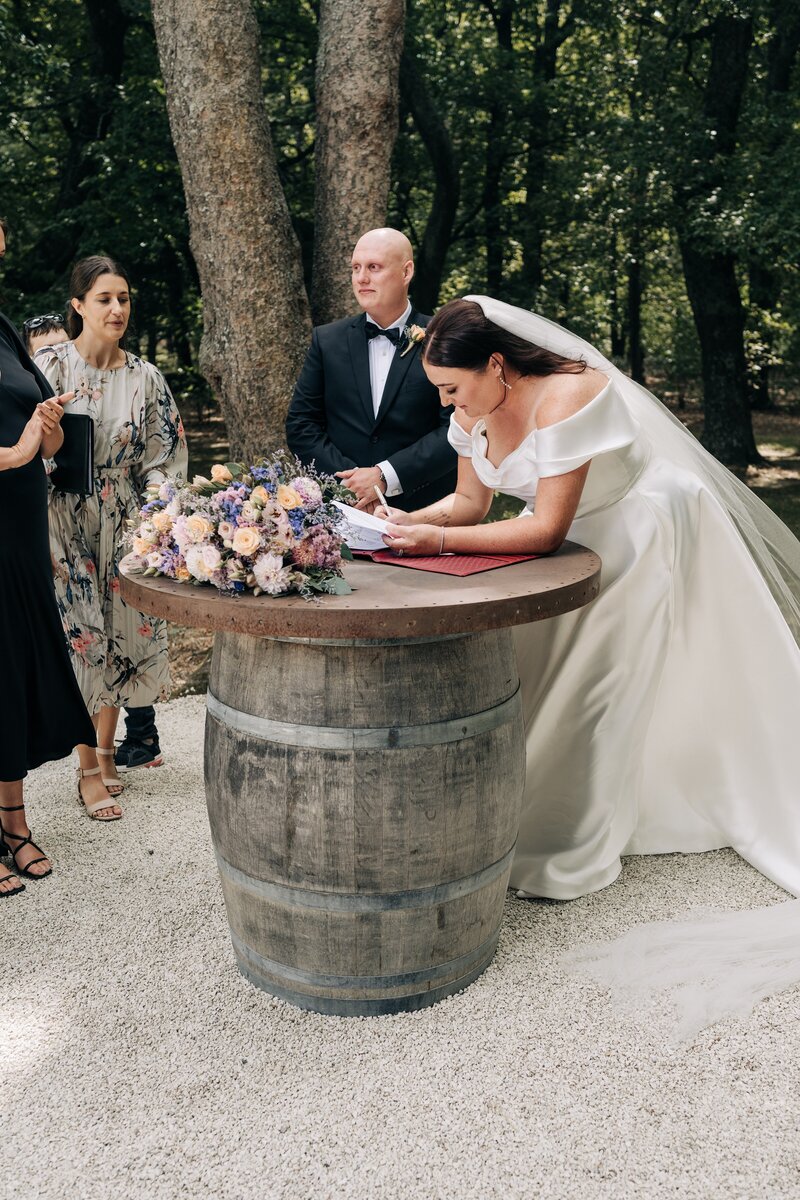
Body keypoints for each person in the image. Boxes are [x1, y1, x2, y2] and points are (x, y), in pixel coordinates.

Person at [378, 295, 800, 1030]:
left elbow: (542, 530)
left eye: (453, 388)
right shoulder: (470, 410)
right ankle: (524, 814)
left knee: (601, 680)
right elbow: (471, 507)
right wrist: (405, 524)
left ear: (499, 365)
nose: (447, 404)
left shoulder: (568, 394)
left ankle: (578, 841)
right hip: (572, 548)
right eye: (441, 391)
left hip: (638, 531)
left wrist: (437, 547)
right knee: (532, 667)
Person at [37, 256, 187, 803]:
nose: (117, 308)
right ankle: (85, 768)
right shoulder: (49, 367)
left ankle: (106, 750)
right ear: (78, 306)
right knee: (81, 637)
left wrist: (153, 519)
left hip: (127, 522)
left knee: (121, 633)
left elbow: (165, 458)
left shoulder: (146, 377)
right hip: (61, 518)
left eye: (123, 298)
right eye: (104, 299)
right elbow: (27, 445)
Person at [0, 219, 109, 898]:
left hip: (16, 532)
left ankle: (13, 820)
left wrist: (45, 431)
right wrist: (10, 454)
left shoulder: (6, 329)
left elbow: (40, 440)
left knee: (9, 670)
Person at [286, 227, 457, 512]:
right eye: (356, 268)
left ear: (406, 272)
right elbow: (301, 425)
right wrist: (352, 485)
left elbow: (455, 428)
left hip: (425, 511)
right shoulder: (327, 341)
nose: (361, 278)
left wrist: (385, 477)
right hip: (342, 514)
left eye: (374, 267)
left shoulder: (442, 338)